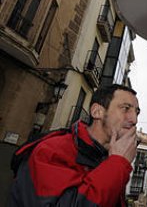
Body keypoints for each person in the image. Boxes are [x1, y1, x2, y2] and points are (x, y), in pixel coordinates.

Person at [9, 84, 140, 206]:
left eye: (137, 112)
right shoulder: (52, 150)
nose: (134, 119)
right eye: (125, 108)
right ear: (97, 112)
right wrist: (117, 165)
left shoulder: (110, 159)